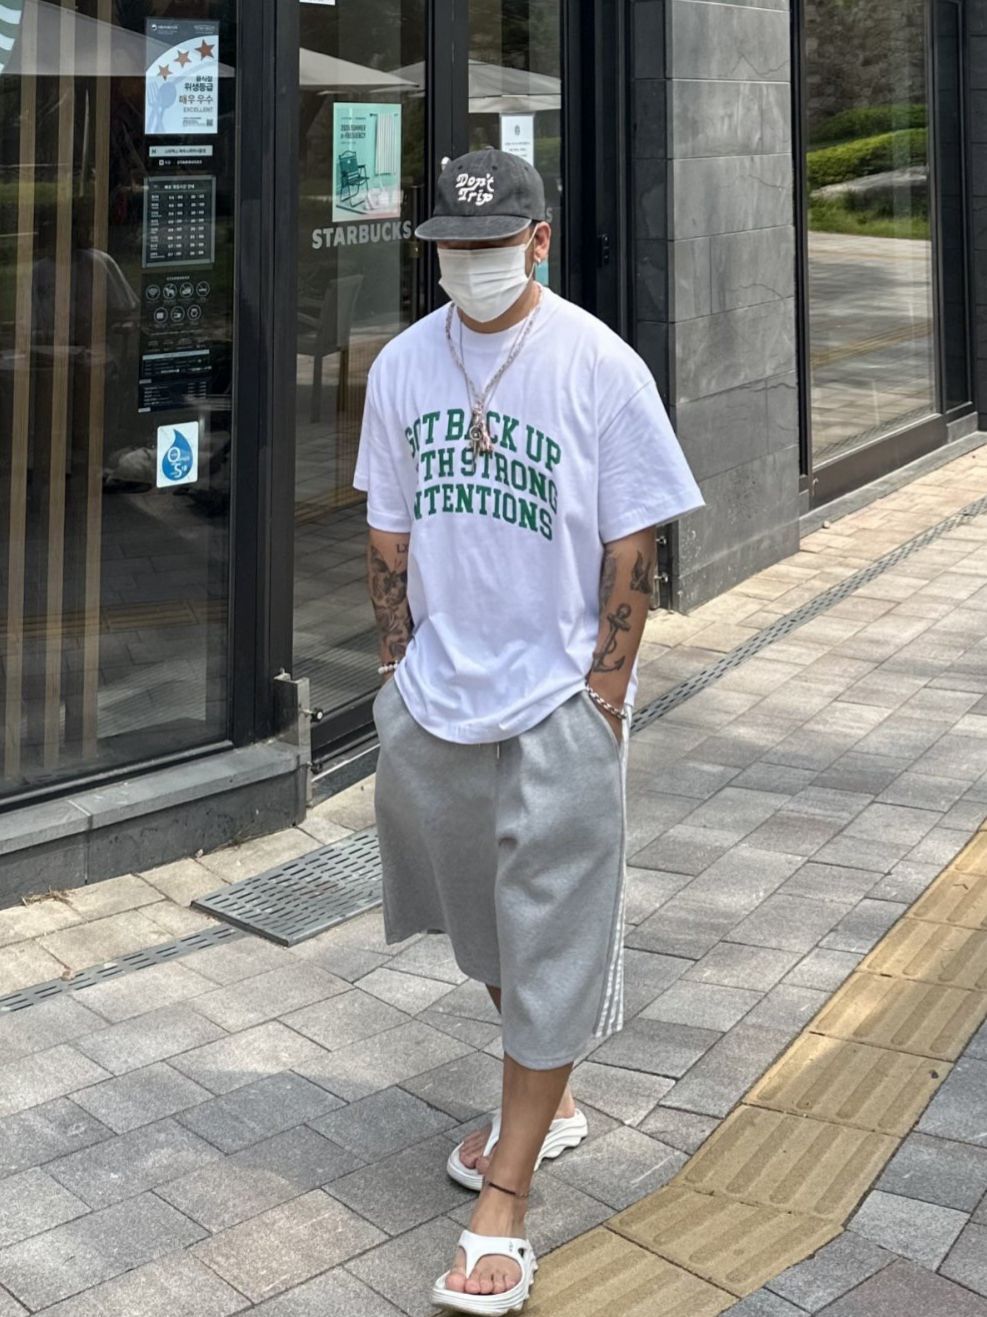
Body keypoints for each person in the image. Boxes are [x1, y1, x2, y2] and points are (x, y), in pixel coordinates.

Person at [353, 148, 703, 1316]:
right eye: (452, 247)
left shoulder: (598, 364)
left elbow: (632, 542)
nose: (470, 264)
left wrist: (605, 690)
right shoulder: (404, 365)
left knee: (550, 934)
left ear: (538, 243)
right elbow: (389, 531)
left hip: (559, 700)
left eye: (492, 245)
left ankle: (503, 1203)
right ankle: (551, 1103)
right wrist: (396, 670)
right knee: (484, 931)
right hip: (437, 700)